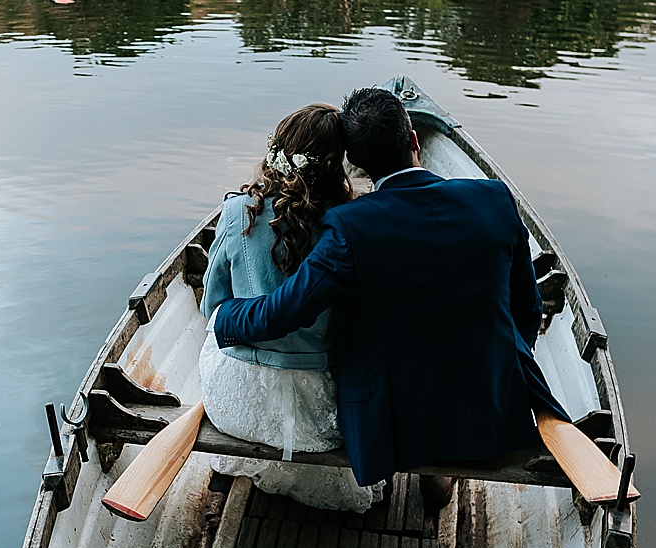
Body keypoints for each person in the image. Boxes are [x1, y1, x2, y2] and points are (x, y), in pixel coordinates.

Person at [210, 86, 562, 490]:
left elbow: (283, 313)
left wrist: (224, 318)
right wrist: (499, 372)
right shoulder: (494, 198)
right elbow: (527, 310)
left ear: (356, 164)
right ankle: (442, 477)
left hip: (398, 425)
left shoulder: (348, 227)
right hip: (497, 408)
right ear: (414, 140)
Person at [197, 105, 382, 513]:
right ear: (338, 163)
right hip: (316, 419)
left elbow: (211, 307)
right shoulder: (350, 223)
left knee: (216, 329)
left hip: (236, 407)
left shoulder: (235, 213)